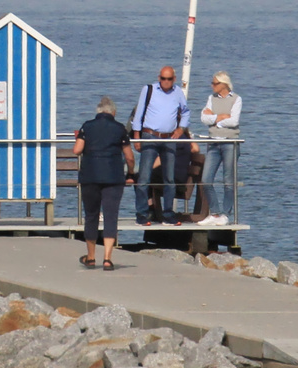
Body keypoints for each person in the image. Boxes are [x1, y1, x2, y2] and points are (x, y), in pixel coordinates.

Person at [73, 96, 135, 269]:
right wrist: (130, 173)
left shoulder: (87, 126)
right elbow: (129, 157)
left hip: (90, 176)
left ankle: (91, 257)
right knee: (110, 216)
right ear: (113, 112)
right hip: (113, 178)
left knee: (91, 215)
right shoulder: (119, 128)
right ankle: (107, 258)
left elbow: (76, 150)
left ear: (98, 112)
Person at [131, 65, 189, 225]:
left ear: (174, 79)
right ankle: (142, 215)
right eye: (163, 78)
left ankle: (168, 215)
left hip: (170, 138)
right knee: (144, 177)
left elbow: (185, 111)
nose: (165, 82)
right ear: (159, 78)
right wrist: (137, 136)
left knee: (169, 178)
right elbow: (139, 112)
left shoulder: (178, 92)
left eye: (169, 79)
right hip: (150, 135)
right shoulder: (148, 90)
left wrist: (181, 128)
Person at [197, 71, 241, 226]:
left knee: (228, 181)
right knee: (206, 180)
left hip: (230, 143)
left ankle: (226, 213)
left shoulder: (236, 99)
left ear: (224, 85)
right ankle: (214, 212)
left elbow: (234, 121)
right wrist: (219, 117)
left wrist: (216, 121)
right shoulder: (211, 98)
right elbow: (203, 117)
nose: (212, 86)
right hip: (213, 143)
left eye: (215, 83)